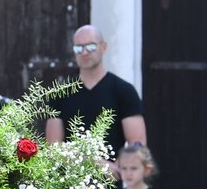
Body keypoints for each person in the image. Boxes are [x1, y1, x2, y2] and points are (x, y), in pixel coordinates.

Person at [45, 24, 146, 173]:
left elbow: (137, 144)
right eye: (79, 48)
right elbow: (54, 147)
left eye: (91, 46)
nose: (84, 52)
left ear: (103, 47)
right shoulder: (60, 93)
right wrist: (96, 163)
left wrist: (121, 168)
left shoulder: (124, 90)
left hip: (112, 183)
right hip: (70, 183)